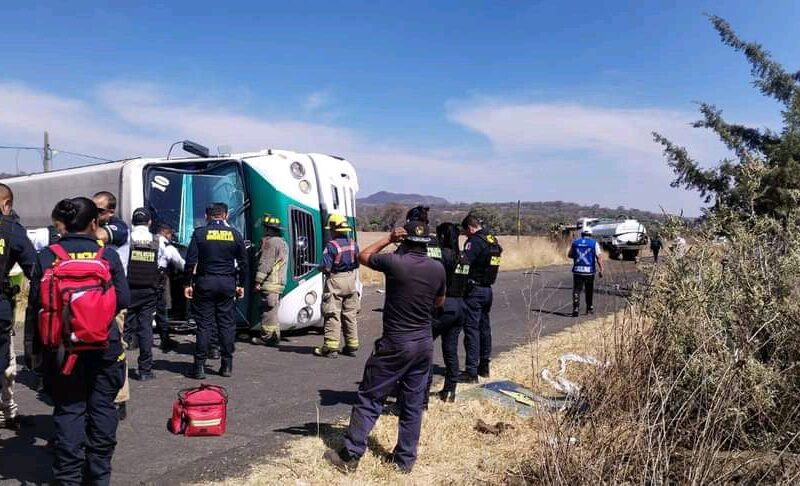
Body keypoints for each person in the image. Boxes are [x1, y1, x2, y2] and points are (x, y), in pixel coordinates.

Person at [323, 220, 446, 474]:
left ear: (404, 240)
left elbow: (363, 255)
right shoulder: (437, 268)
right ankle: (404, 461)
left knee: (371, 396)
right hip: (423, 343)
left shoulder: (394, 262)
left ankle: (350, 454)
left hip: (395, 342)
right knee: (412, 403)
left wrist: (389, 238)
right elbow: (439, 301)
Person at [32, 197, 130, 485]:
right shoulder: (107, 256)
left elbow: (38, 304)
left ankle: (68, 478)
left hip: (63, 349)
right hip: (104, 346)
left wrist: (36, 355)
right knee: (102, 408)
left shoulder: (48, 256)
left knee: (69, 410)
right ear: (94, 223)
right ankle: (99, 476)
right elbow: (123, 299)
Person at [184, 202, 247, 379]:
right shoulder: (235, 234)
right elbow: (243, 263)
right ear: (225, 216)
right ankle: (227, 365)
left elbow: (190, 262)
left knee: (204, 325)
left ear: (206, 216)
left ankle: (199, 367)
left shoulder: (200, 233)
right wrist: (240, 284)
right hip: (227, 283)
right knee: (226, 324)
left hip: (205, 282)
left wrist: (187, 284)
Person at [0, 184, 38, 430]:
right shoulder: (11, 229)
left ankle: (7, 412)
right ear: (6, 205)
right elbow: (35, 269)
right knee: (3, 365)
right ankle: (6, 413)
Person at [92, 191, 131, 419]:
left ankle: (119, 398)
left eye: (99, 210)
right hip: (92, 297)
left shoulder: (119, 227)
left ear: (110, 212)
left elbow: (100, 235)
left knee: (117, 348)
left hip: (113, 298)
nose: (95, 213)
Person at [425, 222, 469, 404]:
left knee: (425, 349)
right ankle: (450, 390)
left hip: (441, 305)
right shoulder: (464, 257)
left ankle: (422, 394)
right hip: (460, 306)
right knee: (451, 351)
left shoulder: (441, 257)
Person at [122, 208, 164, 381]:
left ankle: (118, 367)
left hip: (129, 289)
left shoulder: (127, 239)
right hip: (149, 290)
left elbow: (122, 265)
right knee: (145, 328)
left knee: (123, 327)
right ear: (149, 222)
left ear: (132, 222)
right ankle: (145, 370)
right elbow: (165, 262)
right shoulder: (158, 241)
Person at [460, 214, 502, 382]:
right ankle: (484, 366)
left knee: (471, 330)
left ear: (470, 228)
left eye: (465, 233)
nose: (466, 236)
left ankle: (470, 372)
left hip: (474, 289)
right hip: (487, 290)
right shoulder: (493, 240)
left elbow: (464, 264)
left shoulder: (475, 242)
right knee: (484, 328)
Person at [314, 214, 361, 358]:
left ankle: (331, 348)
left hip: (335, 281)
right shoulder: (354, 244)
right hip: (351, 280)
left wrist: (319, 268)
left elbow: (327, 268)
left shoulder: (331, 246)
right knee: (350, 314)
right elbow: (357, 263)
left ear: (334, 229)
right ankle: (352, 346)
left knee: (333, 314)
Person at [252, 214, 288, 347]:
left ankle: (267, 338)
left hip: (270, 283)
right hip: (278, 283)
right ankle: (274, 336)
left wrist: (257, 282)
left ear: (268, 229)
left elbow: (265, 264)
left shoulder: (271, 243)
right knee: (273, 311)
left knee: (267, 311)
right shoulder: (283, 242)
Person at [154, 222, 184, 352]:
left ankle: (133, 340)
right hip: (160, 280)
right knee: (162, 310)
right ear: (166, 233)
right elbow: (180, 264)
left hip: (141, 279)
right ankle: (165, 339)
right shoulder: (168, 247)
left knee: (142, 310)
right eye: (171, 234)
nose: (172, 237)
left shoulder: (148, 241)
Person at [569, 228, 604, 317]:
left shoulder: (575, 242)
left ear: (582, 234)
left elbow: (570, 255)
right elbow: (599, 257)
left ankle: (575, 308)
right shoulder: (594, 243)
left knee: (577, 289)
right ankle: (589, 308)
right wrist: (601, 269)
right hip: (589, 271)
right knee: (589, 290)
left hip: (577, 270)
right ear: (590, 235)